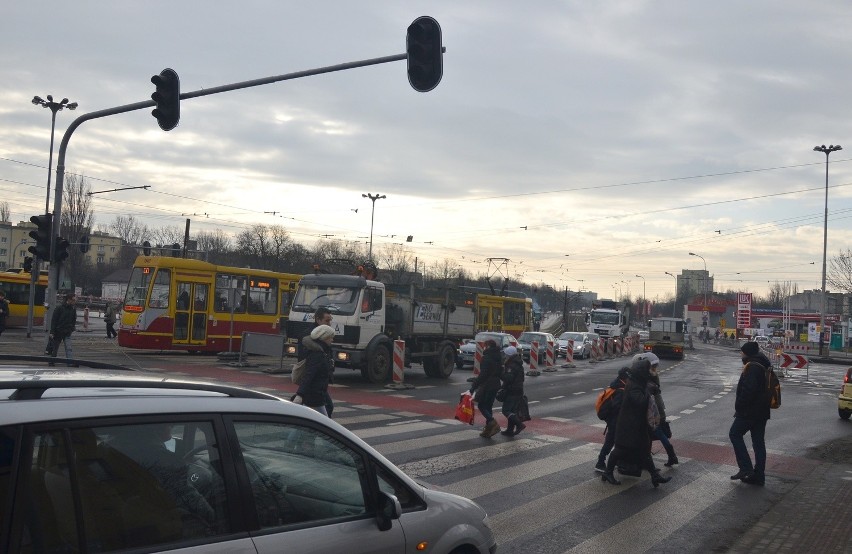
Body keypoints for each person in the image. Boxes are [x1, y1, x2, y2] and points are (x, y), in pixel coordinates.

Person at [602, 357, 672, 488]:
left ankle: (655, 476)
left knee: (644, 451)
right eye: (646, 370)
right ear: (641, 372)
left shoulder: (638, 383)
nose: (648, 373)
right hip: (629, 426)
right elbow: (640, 401)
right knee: (620, 450)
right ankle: (607, 472)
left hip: (636, 425)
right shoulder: (634, 386)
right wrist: (648, 393)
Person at [729, 341, 772, 486]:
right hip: (762, 411)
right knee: (758, 443)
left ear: (747, 353)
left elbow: (749, 390)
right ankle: (759, 476)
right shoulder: (762, 363)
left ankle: (746, 468)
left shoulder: (752, 367)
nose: (741, 354)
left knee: (734, 434)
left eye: (742, 351)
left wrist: (739, 406)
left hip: (750, 411)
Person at [292, 307, 336, 416]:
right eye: (327, 320)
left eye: (330, 320)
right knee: (327, 410)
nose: (329, 323)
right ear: (318, 320)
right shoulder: (311, 339)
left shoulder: (324, 336)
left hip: (318, 385)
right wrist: (300, 393)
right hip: (315, 386)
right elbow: (309, 371)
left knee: (314, 414)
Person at [640, 352, 679, 467]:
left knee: (653, 434)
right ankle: (671, 456)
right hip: (659, 409)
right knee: (655, 434)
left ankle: (652, 460)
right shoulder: (654, 377)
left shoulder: (648, 379)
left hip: (654, 412)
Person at [595, 366, 630, 473]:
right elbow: (616, 407)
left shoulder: (617, 385)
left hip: (614, 421)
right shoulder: (620, 390)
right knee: (610, 442)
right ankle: (600, 462)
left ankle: (618, 462)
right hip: (615, 422)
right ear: (625, 378)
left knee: (617, 442)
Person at [468, 339, 503, 438]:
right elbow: (500, 372)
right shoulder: (498, 356)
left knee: (481, 406)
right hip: (496, 385)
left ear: (487, 346)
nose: (484, 347)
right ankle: (489, 430)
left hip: (487, 385)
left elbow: (483, 374)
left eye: (485, 346)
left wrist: (474, 386)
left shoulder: (486, 357)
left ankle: (492, 423)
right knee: (488, 406)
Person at [499, 346, 526, 436]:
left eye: (506, 354)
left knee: (506, 410)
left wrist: (500, 374)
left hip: (512, 391)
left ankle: (519, 424)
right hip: (518, 390)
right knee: (512, 411)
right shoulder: (517, 363)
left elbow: (509, 378)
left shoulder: (512, 365)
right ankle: (510, 430)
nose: (505, 356)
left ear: (509, 355)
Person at [49, 293, 77, 365]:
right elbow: (54, 320)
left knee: (68, 348)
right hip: (58, 331)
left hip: (66, 331)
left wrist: (72, 328)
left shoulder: (72, 309)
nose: (74, 301)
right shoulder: (60, 308)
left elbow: (73, 319)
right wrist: (52, 332)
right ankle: (52, 361)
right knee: (55, 348)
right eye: (73, 300)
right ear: (69, 300)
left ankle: (69, 362)